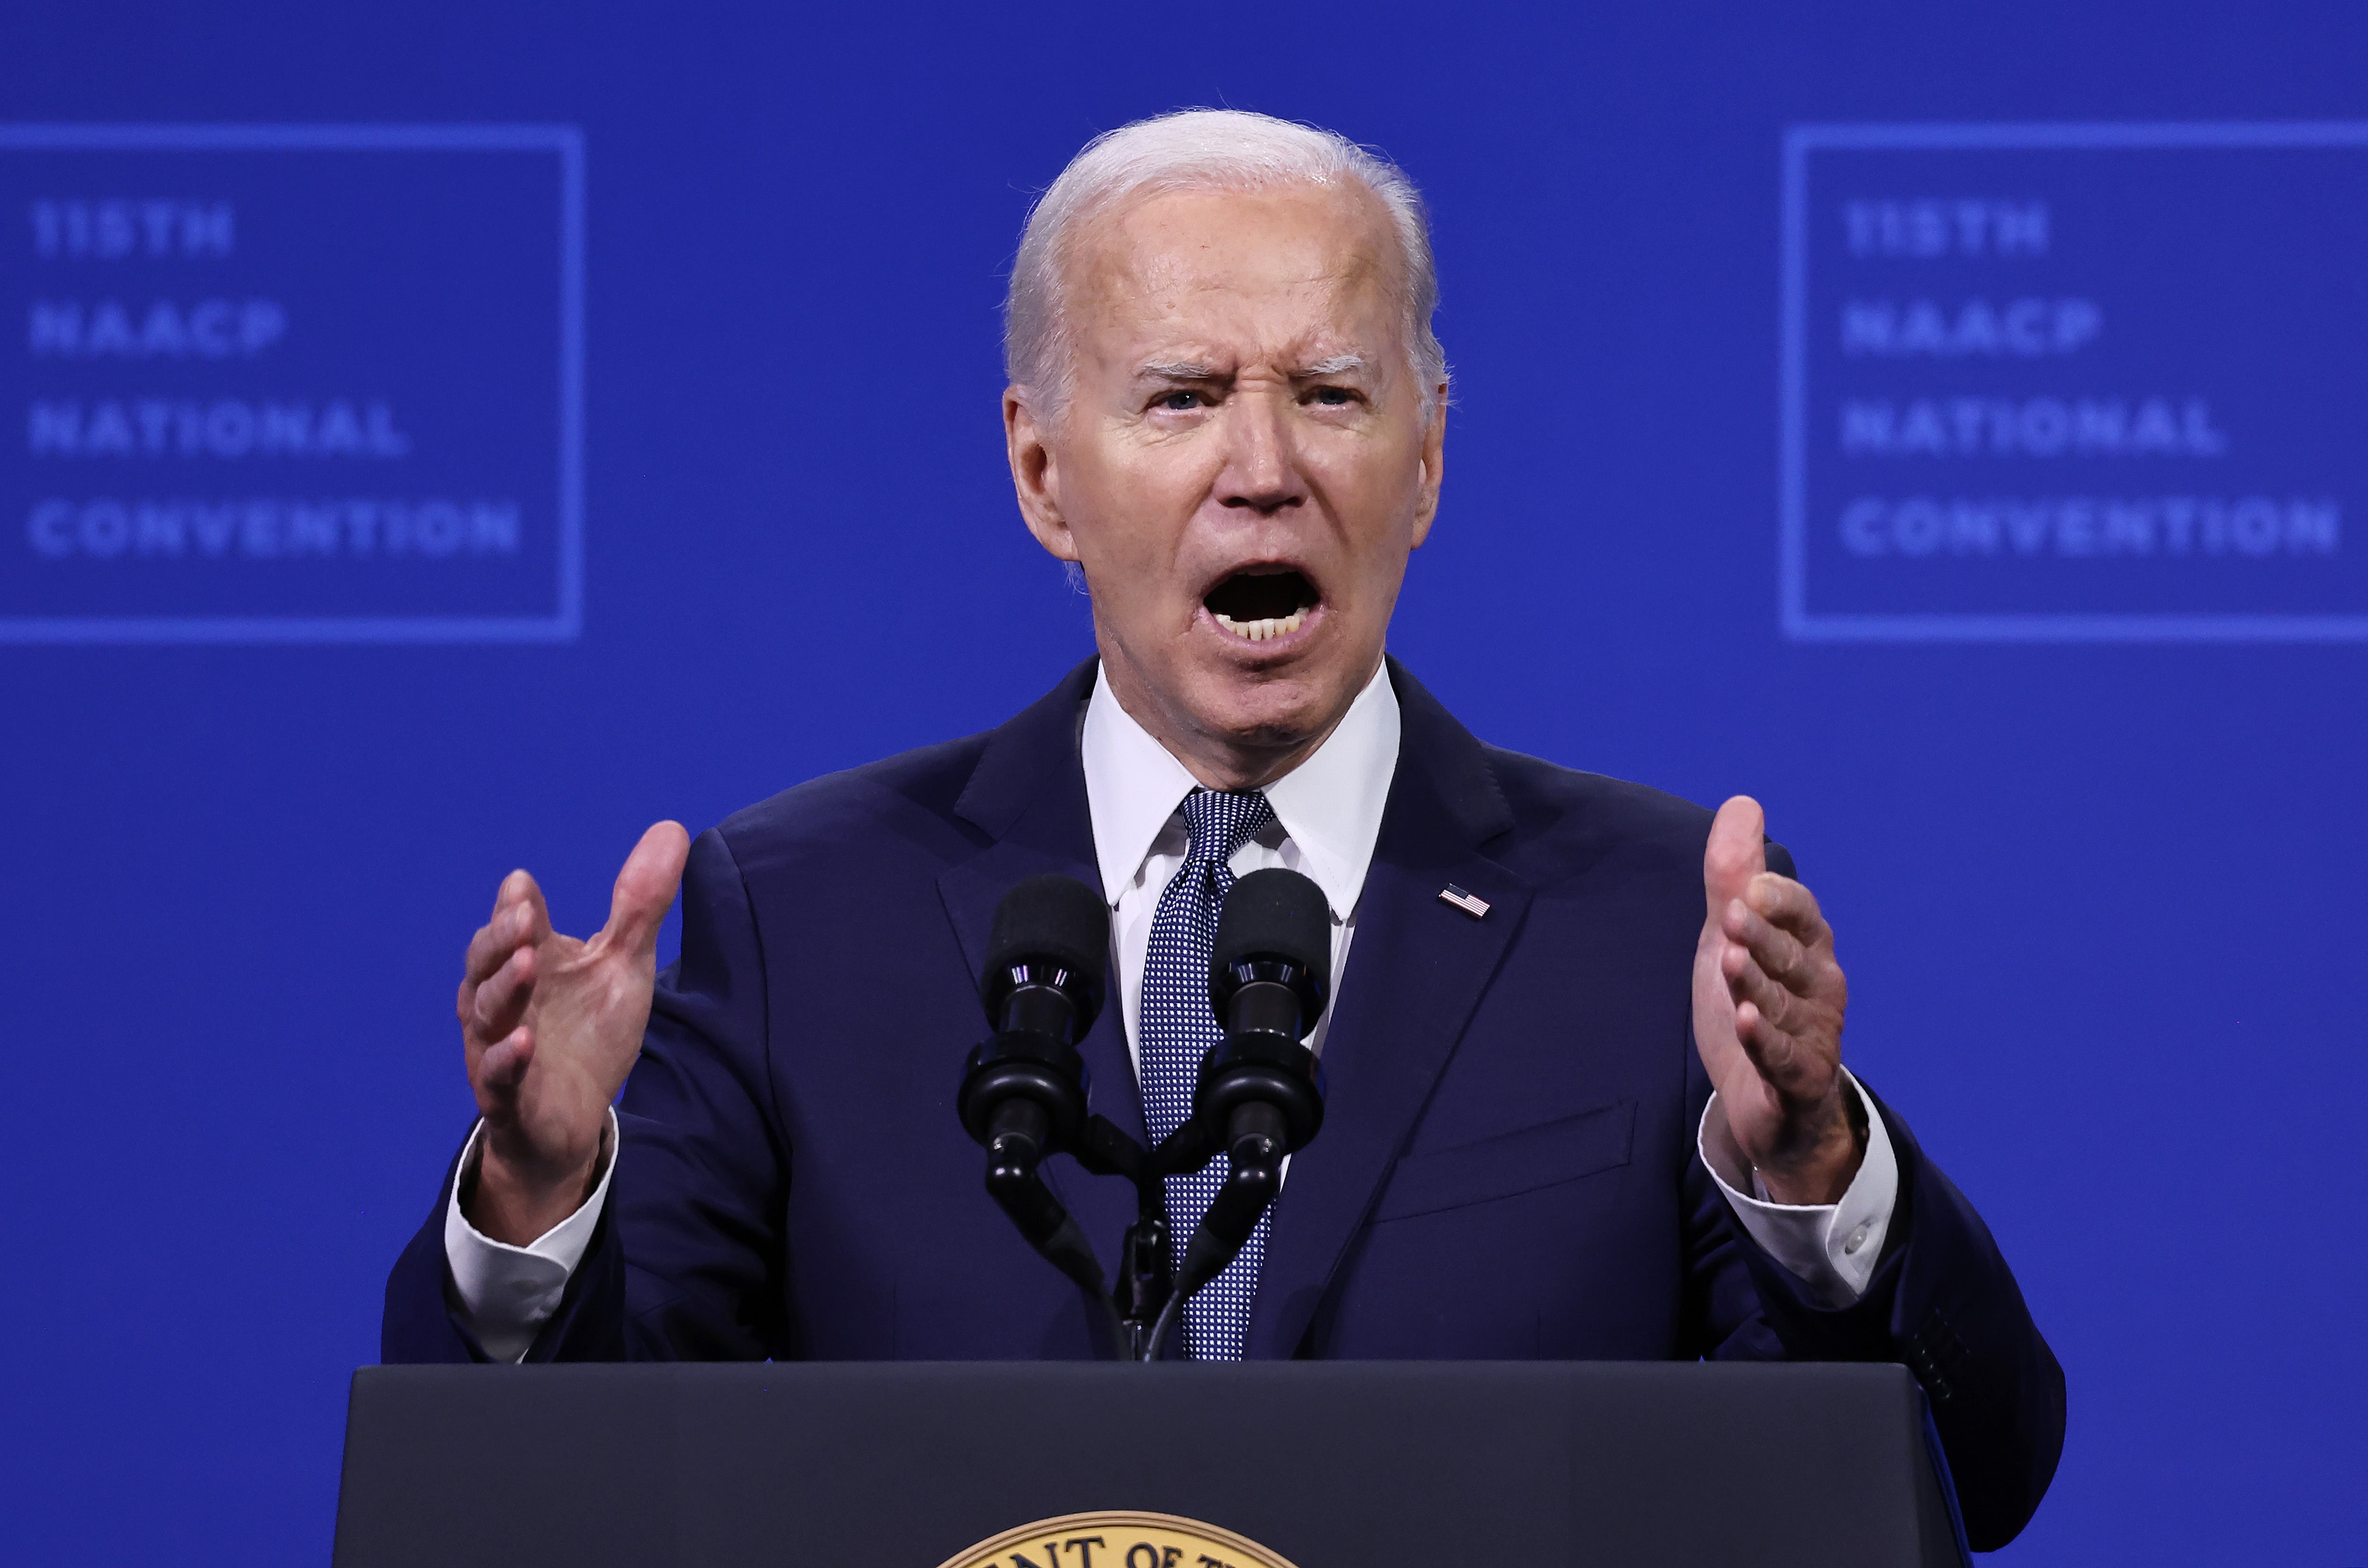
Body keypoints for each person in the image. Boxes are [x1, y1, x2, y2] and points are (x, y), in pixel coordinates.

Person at [384, 109, 2064, 1548]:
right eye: (1183, 397)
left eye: (1331, 394)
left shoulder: (1643, 919)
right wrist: (539, 1203)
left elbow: (1964, 1479)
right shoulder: (809, 913)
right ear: (1045, 473)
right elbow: (569, 1505)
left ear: (1427, 461)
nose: (1263, 467)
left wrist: (1812, 1177)